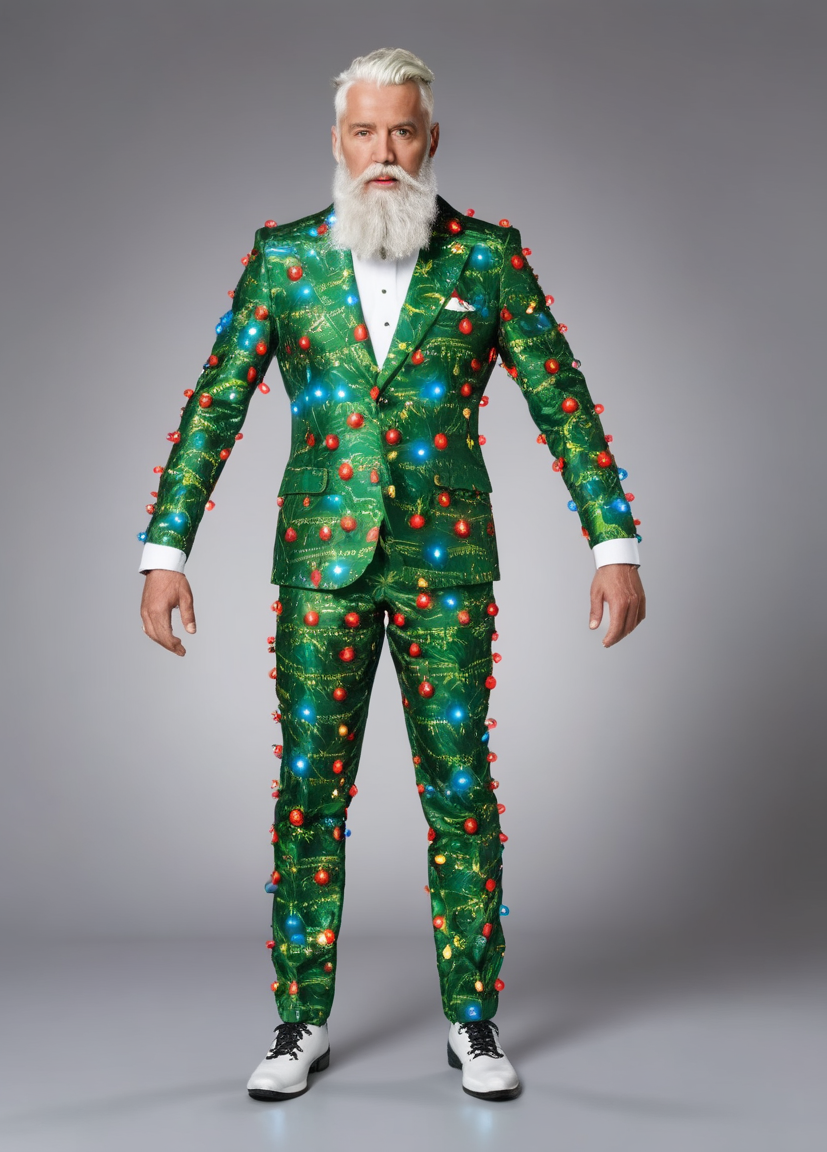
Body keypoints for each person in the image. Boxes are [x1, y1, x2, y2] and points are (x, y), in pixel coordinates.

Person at [138, 47, 646, 1102]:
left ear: (430, 139)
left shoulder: (487, 258)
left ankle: (472, 1020)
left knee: (459, 792)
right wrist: (165, 553)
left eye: (401, 131)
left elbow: (561, 400)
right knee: (307, 795)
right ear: (336, 141)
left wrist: (613, 546)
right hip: (320, 569)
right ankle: (299, 1021)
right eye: (364, 131)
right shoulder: (284, 259)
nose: (383, 151)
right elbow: (216, 405)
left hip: (445, 569)